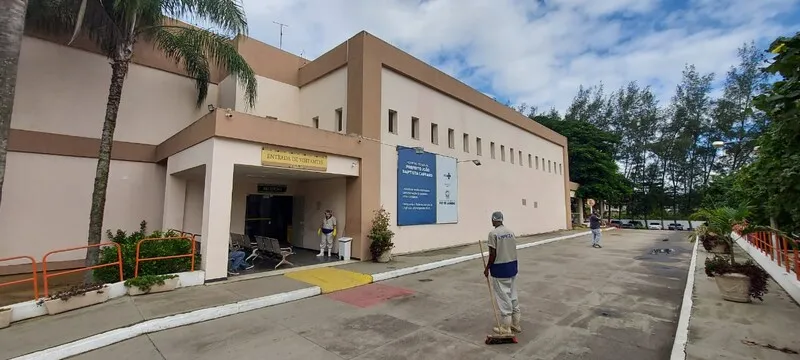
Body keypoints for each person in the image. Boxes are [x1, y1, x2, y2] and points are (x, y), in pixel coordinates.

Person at [484, 211, 522, 335]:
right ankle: (515, 323)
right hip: (512, 267)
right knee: (513, 295)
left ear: (494, 220)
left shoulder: (493, 234)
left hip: (500, 269)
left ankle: (506, 327)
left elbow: (493, 254)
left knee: (503, 297)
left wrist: (487, 268)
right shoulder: (511, 232)